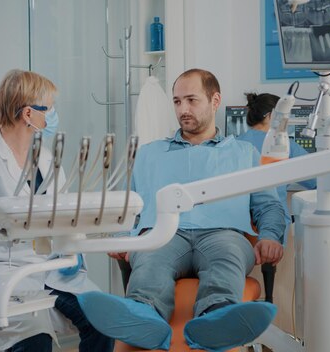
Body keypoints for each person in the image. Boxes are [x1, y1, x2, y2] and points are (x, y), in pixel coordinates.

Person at [77, 69, 286, 351]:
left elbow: (268, 205)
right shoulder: (150, 154)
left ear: (215, 101)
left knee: (226, 258)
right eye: (176, 102)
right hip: (163, 234)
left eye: (191, 100)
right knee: (150, 259)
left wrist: (270, 236)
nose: (183, 110)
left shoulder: (243, 154)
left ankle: (216, 319)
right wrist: (123, 235)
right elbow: (127, 206)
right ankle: (144, 317)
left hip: (223, 235)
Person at [0, 69, 113, 352]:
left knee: (103, 320)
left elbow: (65, 213)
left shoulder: (45, 158)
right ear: (29, 114)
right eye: (50, 108)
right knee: (34, 341)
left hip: (45, 267)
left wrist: (74, 250)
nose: (53, 115)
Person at [237, 92, 317, 240]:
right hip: (275, 227)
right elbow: (317, 181)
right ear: (270, 116)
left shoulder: (234, 144)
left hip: (240, 230)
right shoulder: (284, 146)